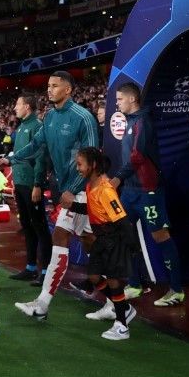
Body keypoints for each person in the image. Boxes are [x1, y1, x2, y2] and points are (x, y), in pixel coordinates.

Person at [0, 70, 100, 321]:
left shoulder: (83, 118)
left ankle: (117, 304)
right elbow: (36, 145)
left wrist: (73, 189)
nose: (49, 90)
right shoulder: (50, 116)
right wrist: (11, 158)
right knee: (84, 242)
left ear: (68, 90)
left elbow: (93, 159)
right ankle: (47, 303)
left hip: (84, 191)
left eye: (55, 86)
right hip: (68, 191)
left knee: (72, 240)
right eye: (48, 86)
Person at [110, 82, 184, 308]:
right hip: (130, 191)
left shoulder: (143, 121)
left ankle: (177, 290)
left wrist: (117, 178)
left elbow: (137, 156)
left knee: (161, 236)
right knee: (124, 234)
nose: (117, 103)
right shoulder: (130, 121)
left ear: (132, 99)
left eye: (120, 99)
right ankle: (134, 284)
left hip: (148, 191)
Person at [74, 146, 138, 341]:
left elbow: (122, 219)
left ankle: (122, 326)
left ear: (93, 165)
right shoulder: (90, 186)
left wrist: (131, 247)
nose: (77, 168)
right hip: (101, 239)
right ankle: (124, 308)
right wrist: (72, 205)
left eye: (80, 164)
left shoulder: (105, 189)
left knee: (113, 281)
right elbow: (92, 209)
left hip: (113, 238)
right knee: (94, 277)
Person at [7, 92, 50, 285]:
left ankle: (46, 271)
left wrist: (37, 185)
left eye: (18, 104)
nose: (15, 108)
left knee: (40, 227)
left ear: (27, 107)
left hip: (31, 184)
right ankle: (31, 267)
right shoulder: (22, 126)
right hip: (20, 183)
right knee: (27, 225)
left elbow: (40, 157)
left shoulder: (37, 126)